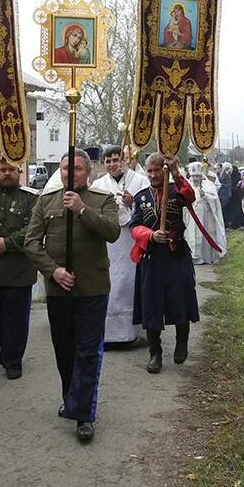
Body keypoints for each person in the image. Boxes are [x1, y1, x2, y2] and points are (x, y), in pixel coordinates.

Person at [24, 150, 120, 442]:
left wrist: (81, 209)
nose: (70, 174)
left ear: (88, 172)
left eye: (77, 169)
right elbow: (31, 243)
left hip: (92, 288)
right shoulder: (46, 201)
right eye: (66, 169)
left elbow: (112, 232)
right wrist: (53, 271)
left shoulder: (102, 200)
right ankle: (71, 397)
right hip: (58, 289)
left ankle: (83, 415)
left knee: (88, 352)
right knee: (64, 350)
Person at [129, 154, 201, 373]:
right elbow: (134, 226)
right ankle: (155, 352)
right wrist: (150, 235)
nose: (152, 175)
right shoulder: (141, 197)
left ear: (164, 170)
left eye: (156, 170)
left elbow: (190, 197)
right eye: (149, 171)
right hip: (151, 257)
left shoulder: (176, 191)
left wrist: (177, 172)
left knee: (180, 298)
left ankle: (181, 341)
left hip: (176, 255)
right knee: (151, 304)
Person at [0, 160, 38, 379]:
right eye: (3, 170)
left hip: (18, 268)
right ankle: (2, 342)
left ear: (19, 172)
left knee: (16, 318)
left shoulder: (30, 198)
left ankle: (13, 360)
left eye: (12, 170)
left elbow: (32, 229)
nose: (7, 174)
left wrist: (8, 243)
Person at [88, 146, 151, 344]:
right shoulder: (98, 184)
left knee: (131, 282)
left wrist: (133, 202)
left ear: (124, 160)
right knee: (112, 282)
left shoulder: (139, 180)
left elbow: (150, 208)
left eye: (116, 160)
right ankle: (111, 334)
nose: (113, 164)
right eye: (108, 161)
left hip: (132, 240)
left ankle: (135, 331)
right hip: (109, 242)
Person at [184, 162, 227, 264]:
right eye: (193, 176)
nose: (195, 178)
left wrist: (205, 195)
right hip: (192, 215)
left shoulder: (208, 184)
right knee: (192, 235)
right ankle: (194, 257)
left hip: (205, 215)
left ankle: (205, 257)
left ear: (201, 176)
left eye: (197, 176)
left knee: (205, 235)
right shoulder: (187, 185)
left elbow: (215, 200)